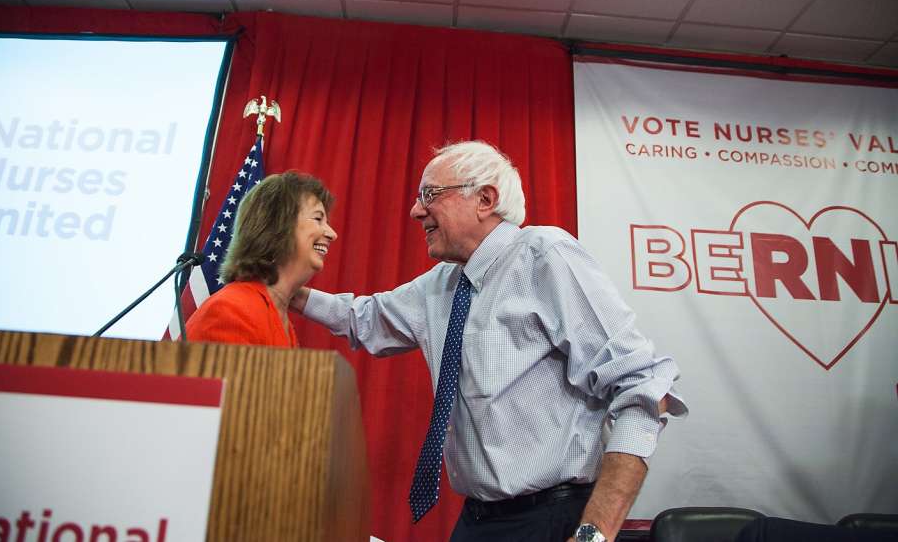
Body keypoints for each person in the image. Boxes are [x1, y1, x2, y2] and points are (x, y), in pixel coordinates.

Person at [290, 140, 686, 542]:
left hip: (553, 520)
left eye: (430, 194)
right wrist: (286, 289)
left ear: (485, 199)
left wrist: (594, 536)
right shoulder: (443, 284)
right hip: (478, 521)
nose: (415, 211)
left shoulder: (545, 255)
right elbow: (366, 319)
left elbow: (642, 386)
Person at [186, 171, 336, 347]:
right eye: (318, 218)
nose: (332, 234)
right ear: (278, 225)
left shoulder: (280, 320)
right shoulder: (231, 311)